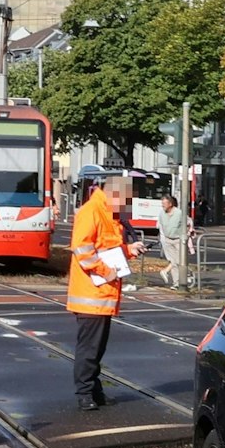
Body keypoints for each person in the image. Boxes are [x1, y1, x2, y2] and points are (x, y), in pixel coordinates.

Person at [68, 176, 141, 412]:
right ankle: (84, 392)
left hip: (102, 294)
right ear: (114, 194)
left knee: (96, 348)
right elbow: (83, 250)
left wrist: (129, 250)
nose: (127, 206)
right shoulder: (92, 211)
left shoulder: (106, 212)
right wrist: (106, 271)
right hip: (93, 292)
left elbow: (107, 248)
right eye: (127, 200)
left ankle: (93, 390)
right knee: (89, 348)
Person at [157, 193, 189, 291]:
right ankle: (176, 283)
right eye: (162, 204)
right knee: (173, 262)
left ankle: (182, 281)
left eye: (164, 204)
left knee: (179, 261)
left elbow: (187, 223)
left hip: (178, 239)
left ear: (170, 204)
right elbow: (161, 224)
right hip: (168, 239)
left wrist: (185, 234)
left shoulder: (179, 213)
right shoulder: (162, 213)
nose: (163, 206)